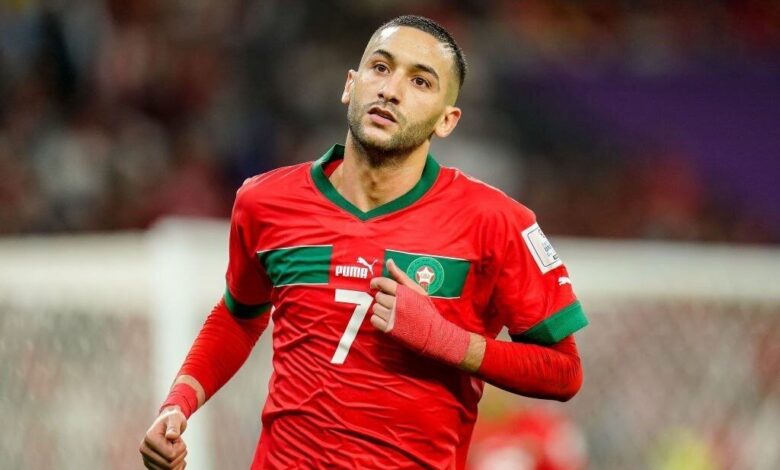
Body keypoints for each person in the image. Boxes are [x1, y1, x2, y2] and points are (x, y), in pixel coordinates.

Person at [140, 14, 588, 470]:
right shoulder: (264, 201)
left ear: (447, 120)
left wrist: (448, 341)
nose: (391, 90)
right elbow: (239, 316)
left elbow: (564, 372)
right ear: (350, 85)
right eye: (380, 67)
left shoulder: (496, 221)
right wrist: (178, 404)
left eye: (420, 81)